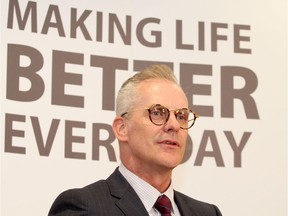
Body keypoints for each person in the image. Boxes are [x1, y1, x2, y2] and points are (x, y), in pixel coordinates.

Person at [48, 64, 222, 216]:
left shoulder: (208, 213)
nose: (174, 125)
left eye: (181, 116)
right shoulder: (84, 208)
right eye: (157, 113)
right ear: (122, 129)